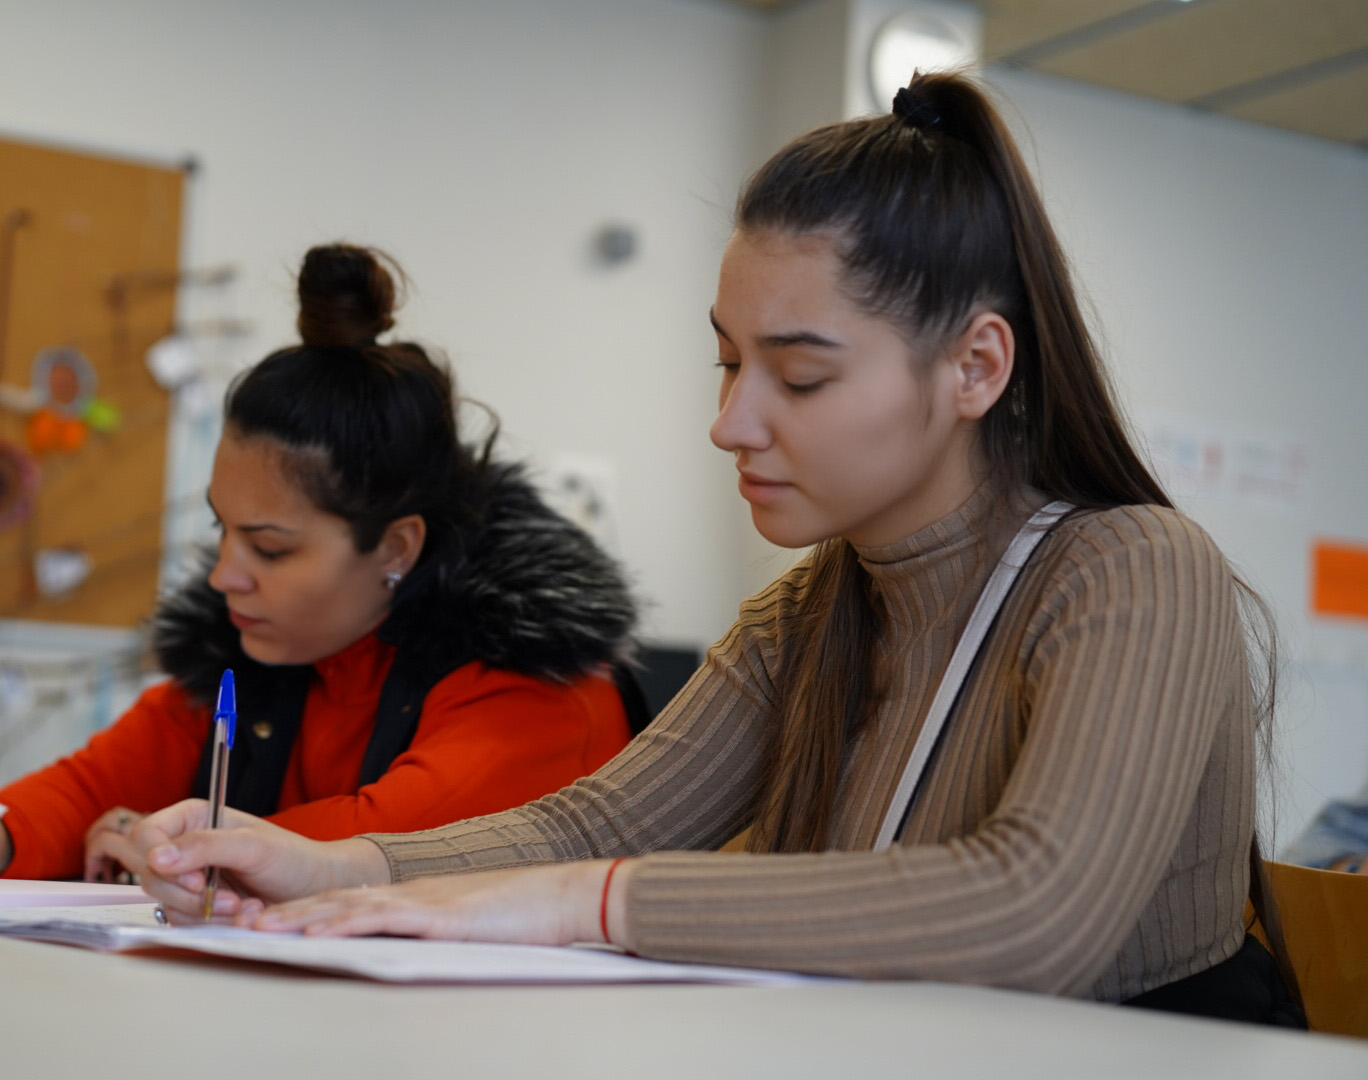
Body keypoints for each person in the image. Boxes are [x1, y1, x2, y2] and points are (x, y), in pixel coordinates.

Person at [130, 74, 1303, 1027]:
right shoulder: (807, 610)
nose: (731, 422)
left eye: (798, 374)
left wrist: (572, 907)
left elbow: (1033, 912)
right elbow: (594, 825)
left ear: (974, 369)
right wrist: (339, 870)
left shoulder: (1134, 568)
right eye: (727, 364)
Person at [0, 243, 641, 882]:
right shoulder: (267, 643)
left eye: (269, 547)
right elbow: (93, 786)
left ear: (397, 547)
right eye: (221, 531)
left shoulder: (541, 689)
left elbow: (369, 848)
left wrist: (153, 846)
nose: (222, 575)